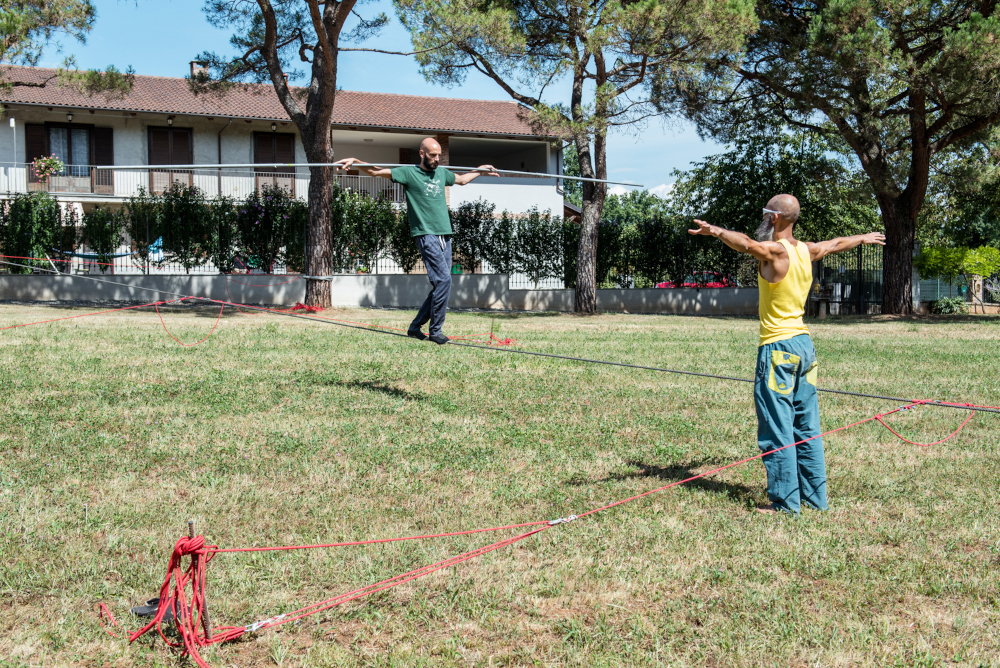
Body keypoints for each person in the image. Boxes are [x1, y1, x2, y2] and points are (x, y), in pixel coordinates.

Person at [688, 195, 885, 514]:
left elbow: (748, 244)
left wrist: (716, 231)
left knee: (777, 426)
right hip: (805, 348)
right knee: (806, 425)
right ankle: (815, 499)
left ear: (776, 217)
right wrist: (862, 237)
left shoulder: (776, 252)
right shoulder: (806, 250)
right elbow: (835, 243)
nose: (763, 217)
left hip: (779, 349)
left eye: (766, 213)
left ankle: (785, 504)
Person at [336, 139, 498, 344]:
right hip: (426, 234)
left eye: (438, 155)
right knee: (443, 281)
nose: (437, 159)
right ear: (422, 153)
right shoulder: (409, 173)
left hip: (445, 234)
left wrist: (479, 170)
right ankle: (436, 330)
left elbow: (463, 180)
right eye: (432, 155)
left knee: (442, 284)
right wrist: (357, 160)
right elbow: (376, 171)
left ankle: (414, 328)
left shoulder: (441, 173)